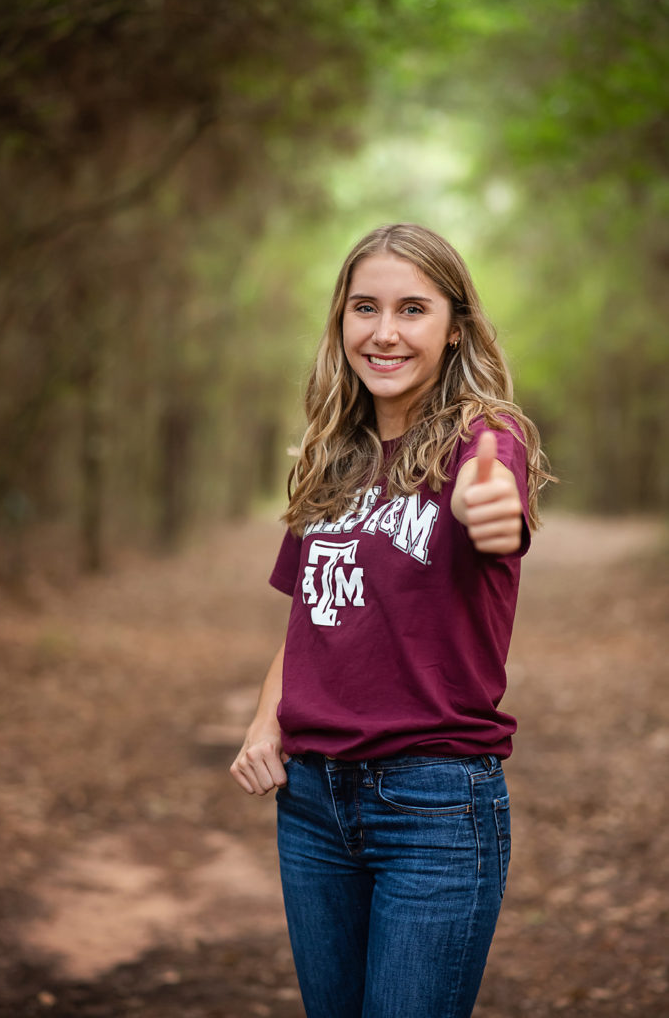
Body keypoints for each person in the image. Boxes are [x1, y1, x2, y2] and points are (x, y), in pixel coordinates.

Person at [230, 223, 552, 1018]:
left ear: (455, 327)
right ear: (340, 320)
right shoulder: (332, 456)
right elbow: (310, 613)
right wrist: (264, 722)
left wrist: (493, 511)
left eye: (413, 309)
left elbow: (497, 506)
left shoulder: (483, 438)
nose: (384, 332)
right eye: (364, 307)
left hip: (434, 807)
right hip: (310, 806)